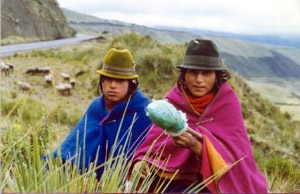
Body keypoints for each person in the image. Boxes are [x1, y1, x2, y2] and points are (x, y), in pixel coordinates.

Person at [130, 39, 268, 193]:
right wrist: (140, 162)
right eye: (193, 72)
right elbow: (153, 144)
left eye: (207, 73)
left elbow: (236, 158)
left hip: (215, 185)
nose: (199, 80)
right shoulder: (173, 99)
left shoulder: (227, 102)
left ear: (217, 76)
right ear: (184, 74)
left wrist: (196, 146)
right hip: (172, 182)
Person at [45, 48, 152, 179]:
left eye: (120, 80)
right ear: (101, 81)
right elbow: (73, 145)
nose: (112, 85)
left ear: (131, 83)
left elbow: (153, 152)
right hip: (83, 180)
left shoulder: (145, 112)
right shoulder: (96, 108)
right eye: (108, 79)